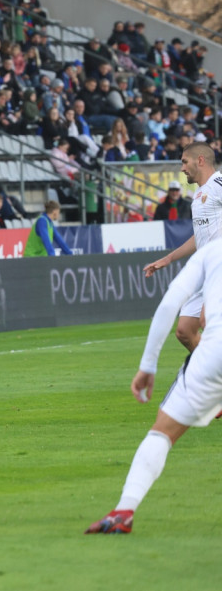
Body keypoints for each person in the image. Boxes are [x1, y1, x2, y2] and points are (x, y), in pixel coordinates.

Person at [85, 236, 222, 534]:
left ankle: (124, 511)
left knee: (162, 432)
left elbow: (171, 302)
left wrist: (148, 365)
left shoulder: (211, 251)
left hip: (213, 357)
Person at [143, 143, 222, 352]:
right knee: (185, 331)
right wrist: (167, 259)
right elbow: (200, 237)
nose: (182, 168)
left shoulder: (218, 184)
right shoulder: (198, 196)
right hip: (204, 271)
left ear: (201, 160)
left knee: (207, 321)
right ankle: (213, 376)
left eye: (185, 162)